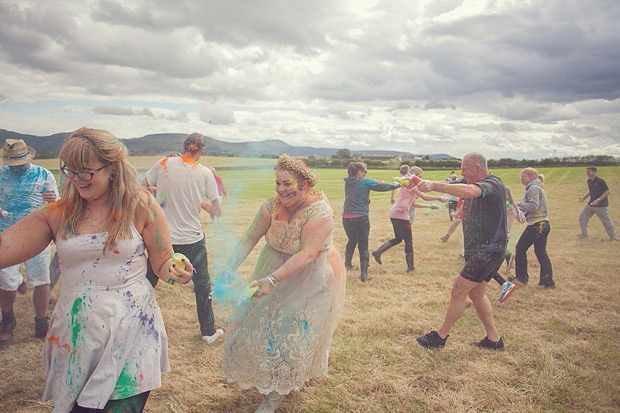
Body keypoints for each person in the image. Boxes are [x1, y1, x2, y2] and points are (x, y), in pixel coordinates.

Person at [0, 127, 194, 412]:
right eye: (71, 171)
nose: (77, 179)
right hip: (76, 335)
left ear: (112, 169)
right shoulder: (57, 213)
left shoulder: (140, 205)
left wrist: (176, 269)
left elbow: (163, 262)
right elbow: (6, 244)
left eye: (86, 171)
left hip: (130, 331)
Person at [220, 155, 345, 413]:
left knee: (290, 330)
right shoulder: (270, 207)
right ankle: (269, 377)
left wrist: (272, 279)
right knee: (260, 325)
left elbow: (308, 253)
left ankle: (275, 395)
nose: (281, 189)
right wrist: (227, 269)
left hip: (309, 276)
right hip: (273, 267)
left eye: (288, 184)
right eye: (278, 183)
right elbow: (248, 238)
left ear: (306, 184)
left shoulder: (320, 213)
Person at [416, 153, 507, 350]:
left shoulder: (492, 185)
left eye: (465, 168)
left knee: (457, 291)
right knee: (476, 295)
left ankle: (439, 337)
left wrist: (435, 186)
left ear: (477, 168)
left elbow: (470, 190)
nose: (461, 172)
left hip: (488, 250)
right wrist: (419, 182)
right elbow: (459, 185)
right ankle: (494, 340)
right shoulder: (468, 180)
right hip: (480, 249)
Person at [142, 133, 224, 343]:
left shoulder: (163, 164)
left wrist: (161, 193)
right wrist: (206, 205)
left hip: (162, 235)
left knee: (147, 282)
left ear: (183, 146)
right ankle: (208, 332)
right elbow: (217, 210)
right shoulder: (205, 173)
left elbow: (142, 187)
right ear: (201, 151)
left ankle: (132, 322)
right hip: (191, 239)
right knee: (202, 285)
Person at [0, 139, 58, 348]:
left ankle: (41, 321)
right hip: (6, 235)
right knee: (5, 279)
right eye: (12, 162)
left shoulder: (44, 175)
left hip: (37, 235)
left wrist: (53, 201)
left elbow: (56, 205)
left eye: (20, 162)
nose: (16, 166)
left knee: (41, 279)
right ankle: (7, 319)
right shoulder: (0, 176)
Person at [372, 166, 443, 272]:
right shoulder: (412, 186)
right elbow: (425, 197)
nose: (420, 180)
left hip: (394, 212)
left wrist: (429, 206)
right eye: (419, 177)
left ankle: (378, 252)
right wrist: (439, 198)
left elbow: (413, 203)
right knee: (408, 241)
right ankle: (410, 267)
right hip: (401, 214)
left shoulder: (406, 186)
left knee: (398, 238)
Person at [342, 162, 399, 281]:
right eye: (365, 172)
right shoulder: (365, 182)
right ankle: (364, 273)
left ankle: (347, 264)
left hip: (347, 217)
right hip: (361, 217)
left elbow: (370, 183)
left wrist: (376, 181)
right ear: (360, 172)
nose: (365, 174)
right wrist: (396, 185)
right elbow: (382, 187)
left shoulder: (348, 182)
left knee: (352, 240)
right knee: (363, 245)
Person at [507, 168, 555, 289]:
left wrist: (517, 204)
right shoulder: (535, 188)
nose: (521, 178)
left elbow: (534, 206)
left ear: (532, 176)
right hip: (543, 224)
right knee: (541, 253)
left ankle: (521, 278)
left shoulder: (533, 188)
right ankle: (547, 281)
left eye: (524, 176)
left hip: (537, 225)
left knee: (520, 248)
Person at [577, 166, 618, 241]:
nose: (587, 173)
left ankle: (614, 237)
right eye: (586, 172)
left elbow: (607, 192)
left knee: (606, 221)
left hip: (601, 206)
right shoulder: (589, 181)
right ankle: (584, 234)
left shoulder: (600, 181)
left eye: (589, 171)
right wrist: (584, 197)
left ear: (594, 172)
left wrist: (598, 199)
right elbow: (590, 191)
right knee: (582, 217)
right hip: (591, 204)